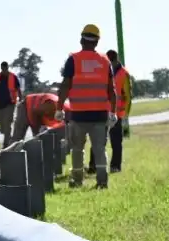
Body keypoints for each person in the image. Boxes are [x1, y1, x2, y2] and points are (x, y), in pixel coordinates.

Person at [55, 24, 117, 189]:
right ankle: (102, 182)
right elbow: (111, 90)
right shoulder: (105, 61)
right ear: (97, 42)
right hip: (100, 115)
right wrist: (113, 112)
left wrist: (59, 108)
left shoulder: (73, 60)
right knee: (99, 149)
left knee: (77, 149)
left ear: (81, 40)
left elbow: (65, 85)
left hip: (79, 114)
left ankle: (77, 180)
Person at [107, 49, 132, 173]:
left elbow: (128, 95)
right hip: (104, 111)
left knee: (116, 142)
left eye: (111, 62)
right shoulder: (105, 70)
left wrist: (126, 115)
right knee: (98, 141)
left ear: (116, 60)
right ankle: (93, 166)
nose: (110, 64)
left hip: (118, 113)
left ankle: (115, 166)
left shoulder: (123, 73)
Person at [0, 62, 21, 147]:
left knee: (7, 123)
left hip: (10, 103)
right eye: (3, 68)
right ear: (1, 68)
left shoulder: (13, 77)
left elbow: (18, 89)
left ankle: (5, 144)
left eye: (5, 68)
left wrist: (21, 99)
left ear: (7, 68)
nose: (4, 70)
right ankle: (8, 137)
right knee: (2, 126)